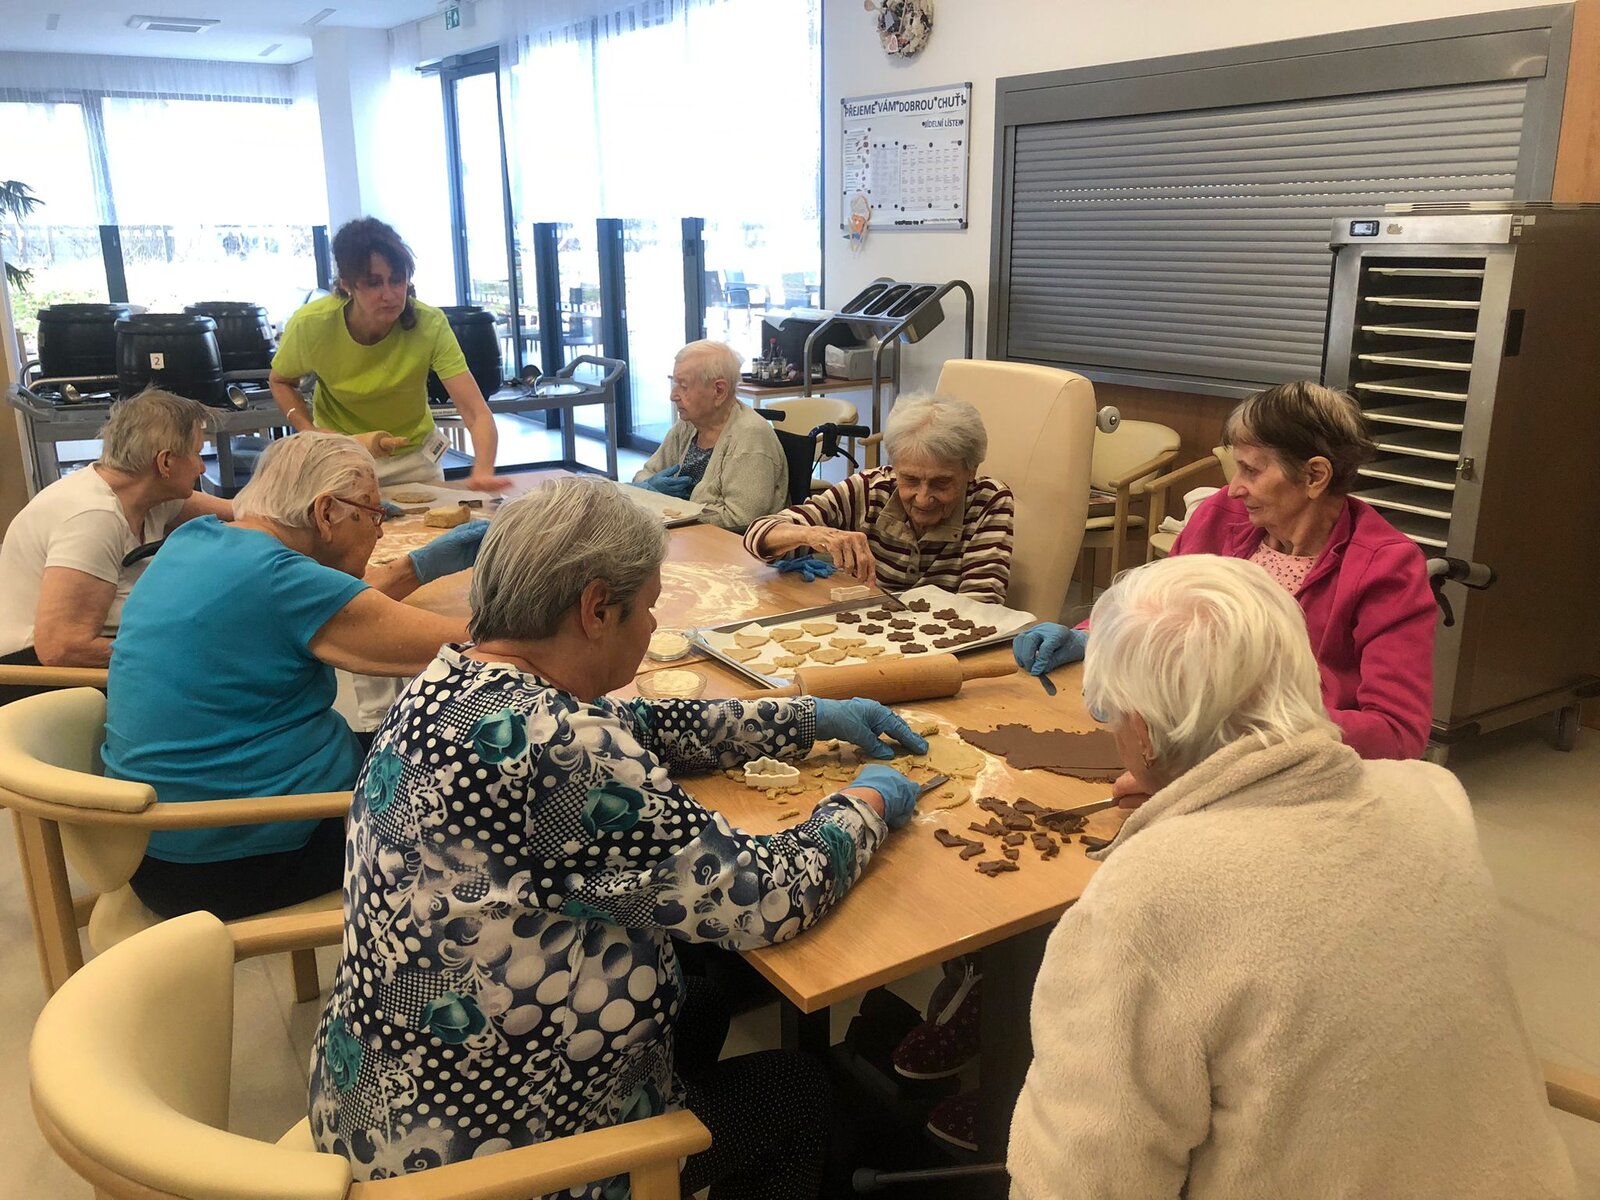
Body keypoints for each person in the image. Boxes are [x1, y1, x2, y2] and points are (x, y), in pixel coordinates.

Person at [308, 475, 930, 1198]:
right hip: (484, 1160)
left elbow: (641, 724)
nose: (653, 626)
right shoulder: (562, 749)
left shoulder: (454, 680)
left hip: (380, 1096)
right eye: (650, 608)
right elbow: (763, 897)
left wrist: (805, 718)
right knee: (794, 1091)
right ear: (597, 608)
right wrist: (863, 806)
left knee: (700, 1005)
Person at [1008, 554, 1576, 1200]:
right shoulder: (1433, 796)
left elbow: (1081, 1185)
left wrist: (1171, 843)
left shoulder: (1139, 903)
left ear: (1141, 733)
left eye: (1111, 715)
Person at [102, 432, 488, 921]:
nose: (379, 533)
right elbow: (474, 647)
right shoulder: (282, 581)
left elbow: (336, 605)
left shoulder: (197, 539)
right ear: (325, 512)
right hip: (238, 857)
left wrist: (417, 566)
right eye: (373, 514)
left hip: (153, 842)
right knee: (481, 786)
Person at [1015, 380, 1435, 763]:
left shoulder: (1386, 568)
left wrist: (1251, 718)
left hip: (1304, 766)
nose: (1234, 488)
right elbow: (1158, 607)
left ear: (1314, 475)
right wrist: (1092, 635)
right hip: (1190, 746)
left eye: (1251, 470)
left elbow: (1398, 734)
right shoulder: (1221, 515)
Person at [0, 388, 232, 702]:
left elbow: (241, 513)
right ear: (165, 462)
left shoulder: (148, 494)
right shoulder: (92, 517)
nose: (201, 468)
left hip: (86, 658)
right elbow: (60, 648)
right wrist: (174, 654)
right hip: (32, 677)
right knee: (222, 681)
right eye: (196, 453)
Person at [268, 216, 509, 492]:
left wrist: (483, 469)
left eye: (397, 280)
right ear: (346, 284)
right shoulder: (312, 324)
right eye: (374, 283)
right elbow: (280, 380)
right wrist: (308, 430)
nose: (390, 294)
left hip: (414, 458)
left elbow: (475, 411)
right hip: (341, 457)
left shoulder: (429, 324)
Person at [744, 392, 1015, 604]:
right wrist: (814, 534)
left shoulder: (990, 501)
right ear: (894, 467)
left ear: (971, 471)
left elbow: (981, 606)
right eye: (910, 479)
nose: (923, 498)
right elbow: (758, 536)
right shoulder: (870, 488)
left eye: (941, 482)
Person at [631, 339, 787, 532]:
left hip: (730, 545)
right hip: (684, 536)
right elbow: (644, 474)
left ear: (719, 390)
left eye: (683, 386)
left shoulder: (751, 437)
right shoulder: (687, 425)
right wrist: (649, 486)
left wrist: (677, 510)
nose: (673, 395)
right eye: (675, 384)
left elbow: (742, 519)